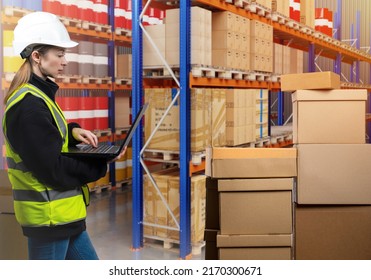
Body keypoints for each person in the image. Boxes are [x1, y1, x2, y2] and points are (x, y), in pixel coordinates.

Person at [2, 11, 125, 260]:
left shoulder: (38, 97)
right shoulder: (28, 106)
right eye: (59, 54)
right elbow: (53, 169)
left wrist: (72, 131)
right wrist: (101, 163)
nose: (65, 61)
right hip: (49, 221)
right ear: (37, 57)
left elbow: (46, 139)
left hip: (64, 217)